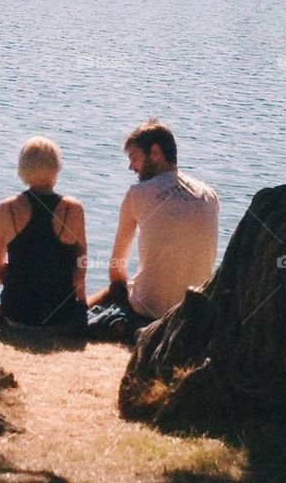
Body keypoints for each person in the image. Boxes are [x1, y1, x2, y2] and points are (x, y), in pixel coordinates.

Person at [88, 120, 218, 342]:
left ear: (155, 153)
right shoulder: (209, 195)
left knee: (108, 298)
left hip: (148, 314)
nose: (132, 167)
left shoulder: (138, 193)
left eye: (134, 158)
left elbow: (117, 269)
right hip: (193, 312)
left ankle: (69, 315)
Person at [0, 136, 87, 332]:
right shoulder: (73, 209)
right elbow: (80, 272)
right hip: (61, 316)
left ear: (22, 169)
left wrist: (22, 276)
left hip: (17, 312)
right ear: (57, 167)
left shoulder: (7, 209)